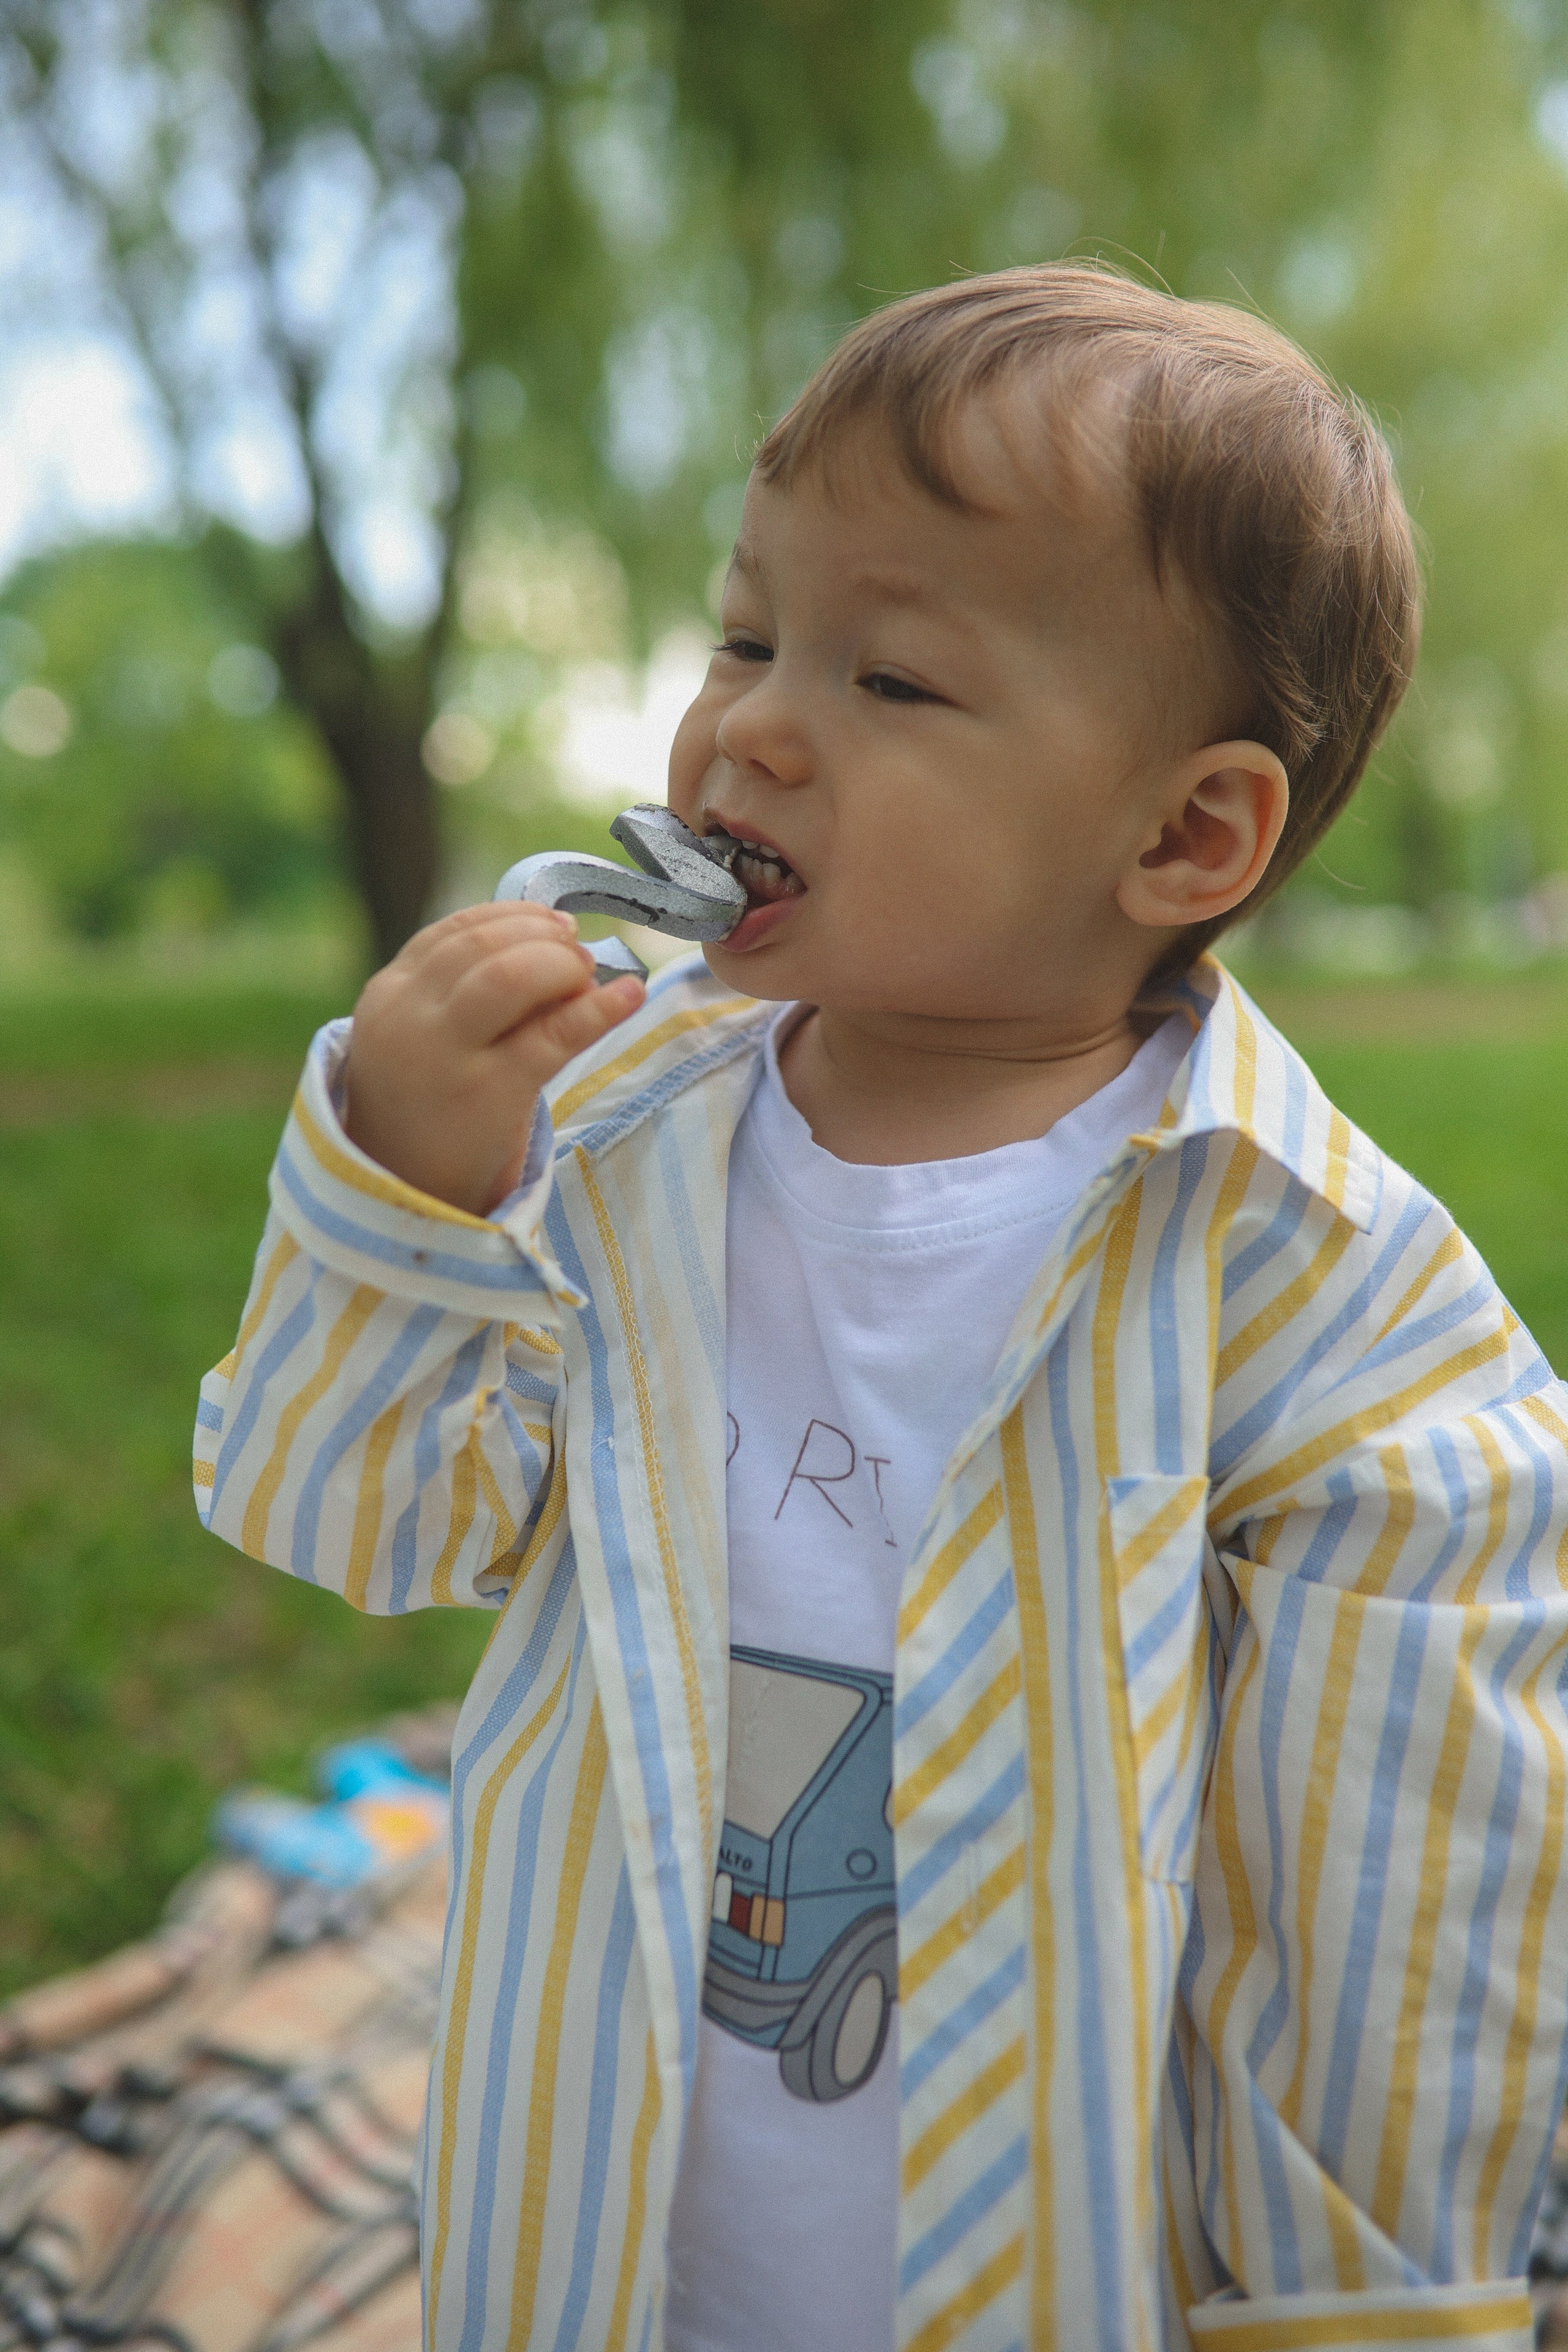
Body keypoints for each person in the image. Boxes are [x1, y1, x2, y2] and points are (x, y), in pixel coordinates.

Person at [194, 266, 1568, 2352]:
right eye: (751, 633)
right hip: (585, 2228)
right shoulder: (617, 1126)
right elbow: (354, 1524)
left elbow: (1399, 1930)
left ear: (1184, 833)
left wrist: (1369, 2317)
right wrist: (398, 1182)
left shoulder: (1332, 1318)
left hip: (1054, 2267)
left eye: (892, 681)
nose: (750, 721)